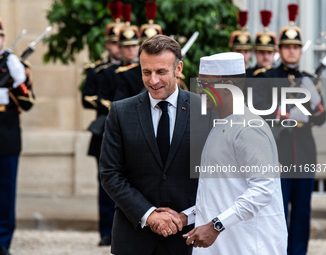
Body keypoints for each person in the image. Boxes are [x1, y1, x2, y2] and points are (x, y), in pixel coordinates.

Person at [157, 52, 287, 254]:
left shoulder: (249, 128)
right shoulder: (220, 125)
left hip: (249, 247)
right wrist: (186, 217)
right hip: (223, 245)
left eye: (204, 85)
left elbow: (262, 191)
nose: (199, 91)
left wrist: (216, 225)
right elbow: (217, 193)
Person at [99, 34, 210, 255]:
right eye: (146, 72)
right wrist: (149, 214)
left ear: (178, 69)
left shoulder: (205, 110)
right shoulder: (121, 112)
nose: (153, 80)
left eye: (161, 72)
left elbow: (215, 175)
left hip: (189, 236)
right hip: (133, 237)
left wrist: (187, 215)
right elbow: (110, 174)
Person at [252, 4, 326, 255]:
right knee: (277, 210)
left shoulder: (309, 79)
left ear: (300, 50)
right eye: (287, 47)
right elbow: (261, 111)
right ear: (280, 50)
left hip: (304, 153)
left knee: (302, 210)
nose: (292, 51)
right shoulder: (266, 77)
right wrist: (284, 115)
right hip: (278, 153)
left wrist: (314, 102)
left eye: (296, 47)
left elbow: (321, 118)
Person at [81, 1, 123, 246]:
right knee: (105, 183)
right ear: (108, 45)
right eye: (115, 43)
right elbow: (88, 98)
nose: (119, 48)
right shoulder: (98, 71)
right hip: (105, 130)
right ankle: (106, 231)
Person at [0, 18, 35, 255]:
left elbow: (28, 102)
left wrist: (17, 81)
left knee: (5, 190)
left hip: (6, 131)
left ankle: (2, 242)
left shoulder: (13, 64)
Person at [246, 10, 277, 78]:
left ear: (275, 53)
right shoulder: (246, 76)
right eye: (262, 52)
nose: (265, 56)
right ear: (255, 52)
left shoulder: (281, 76)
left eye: (269, 52)